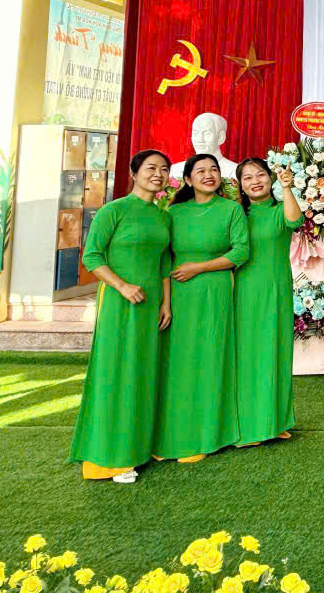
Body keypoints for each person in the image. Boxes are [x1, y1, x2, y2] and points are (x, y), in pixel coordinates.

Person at [68, 150, 173, 483]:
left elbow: (164, 264)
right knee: (116, 372)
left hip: (152, 306)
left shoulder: (162, 216)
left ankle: (138, 447)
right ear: (133, 172)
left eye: (164, 169)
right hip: (119, 303)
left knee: (143, 372)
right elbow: (92, 256)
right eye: (151, 168)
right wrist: (123, 286)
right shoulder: (112, 211)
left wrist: (166, 303)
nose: (158, 174)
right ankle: (108, 459)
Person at [154, 152, 250, 462]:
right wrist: (166, 301)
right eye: (201, 171)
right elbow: (164, 258)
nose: (209, 175)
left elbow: (241, 252)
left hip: (214, 292)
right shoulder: (173, 213)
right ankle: (172, 433)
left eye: (214, 169)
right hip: (179, 294)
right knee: (179, 362)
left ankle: (206, 435)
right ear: (187, 179)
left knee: (210, 358)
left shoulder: (231, 210)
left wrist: (200, 267)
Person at [234, 157, 303, 447]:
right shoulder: (236, 214)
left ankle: (274, 421)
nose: (255, 181)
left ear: (270, 178)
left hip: (276, 290)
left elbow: (295, 221)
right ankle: (247, 426)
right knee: (247, 355)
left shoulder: (279, 210)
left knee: (275, 352)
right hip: (242, 291)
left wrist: (287, 188)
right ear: (240, 185)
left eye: (260, 174)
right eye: (247, 177)